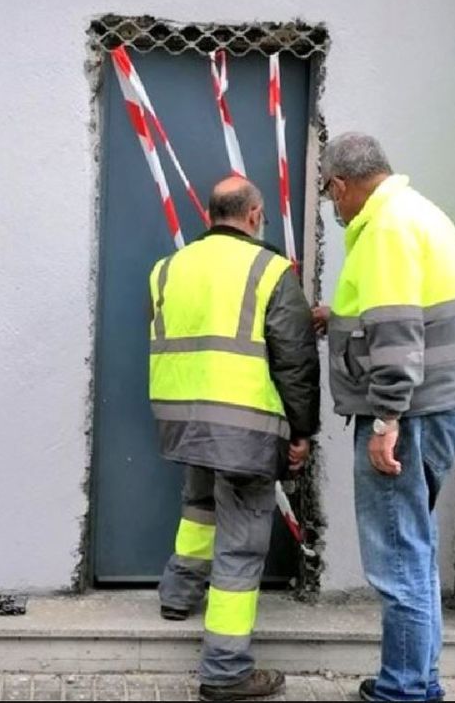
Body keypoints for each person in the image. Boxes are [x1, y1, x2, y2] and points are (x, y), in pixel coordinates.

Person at [315, 133, 455, 703]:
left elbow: (397, 333)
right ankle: (419, 679)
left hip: (410, 416)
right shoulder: (419, 214)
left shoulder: (383, 229)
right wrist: (338, 318)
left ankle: (405, 689)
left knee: (398, 557)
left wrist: (386, 421)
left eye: (329, 194)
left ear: (341, 185)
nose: (333, 207)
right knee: (415, 549)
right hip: (442, 406)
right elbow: (406, 312)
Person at [149, 177, 320, 701]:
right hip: (244, 427)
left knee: (199, 506)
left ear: (209, 213)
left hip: (185, 417)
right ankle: (225, 669)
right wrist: (301, 431)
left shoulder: (168, 267)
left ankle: (178, 594)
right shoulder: (270, 270)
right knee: (242, 546)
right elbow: (294, 361)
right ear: (254, 215)